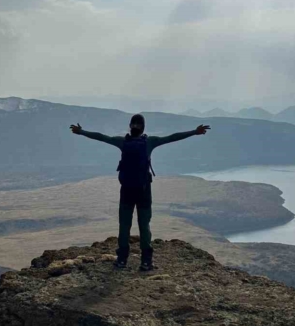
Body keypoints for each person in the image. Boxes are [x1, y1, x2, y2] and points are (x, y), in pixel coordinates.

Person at [70, 114, 210, 271]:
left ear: (130, 126)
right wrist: (194, 132)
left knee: (124, 225)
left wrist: (81, 132)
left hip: (126, 191)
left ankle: (122, 260)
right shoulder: (149, 142)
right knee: (144, 225)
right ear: (143, 127)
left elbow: (102, 137)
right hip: (144, 190)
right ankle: (146, 261)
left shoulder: (122, 142)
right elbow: (172, 137)